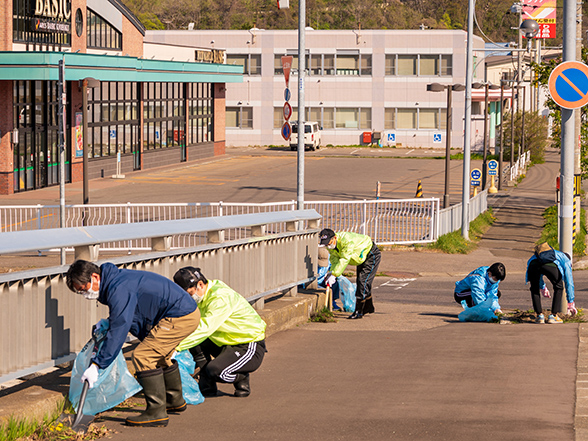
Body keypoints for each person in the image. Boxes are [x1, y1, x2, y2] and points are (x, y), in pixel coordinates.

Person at [65, 260, 200, 428]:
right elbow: (130, 316)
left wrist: (97, 365)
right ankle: (174, 400)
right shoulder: (116, 281)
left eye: (84, 289)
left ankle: (156, 412)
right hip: (183, 312)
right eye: (80, 293)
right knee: (158, 355)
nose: (86, 295)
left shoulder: (118, 288)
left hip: (180, 315)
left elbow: (120, 328)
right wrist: (109, 322)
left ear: (94, 277)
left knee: (143, 356)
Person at [173, 267, 267, 398]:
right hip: (224, 342)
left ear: (200, 284)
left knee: (216, 371)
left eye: (189, 294)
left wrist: (176, 347)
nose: (188, 298)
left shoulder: (220, 298)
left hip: (248, 345)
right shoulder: (202, 296)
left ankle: (241, 377)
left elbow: (206, 327)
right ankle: (207, 386)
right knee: (193, 339)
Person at [318, 228, 381, 319]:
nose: (328, 245)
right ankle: (368, 307)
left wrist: (335, 274)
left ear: (334, 238)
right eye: (325, 243)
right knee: (363, 282)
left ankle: (358, 311)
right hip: (360, 258)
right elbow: (335, 260)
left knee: (363, 281)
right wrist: (332, 272)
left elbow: (344, 259)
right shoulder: (332, 247)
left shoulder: (346, 241)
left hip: (370, 254)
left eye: (329, 242)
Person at [526, 242, 577, 324]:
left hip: (533, 264)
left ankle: (539, 316)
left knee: (534, 289)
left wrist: (542, 288)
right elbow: (569, 281)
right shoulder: (565, 259)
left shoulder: (547, 254)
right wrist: (570, 302)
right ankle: (553, 316)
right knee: (558, 287)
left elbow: (538, 273)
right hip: (550, 266)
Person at [317, 246, 341, 311]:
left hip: (323, 280)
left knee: (335, 283)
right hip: (313, 283)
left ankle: (332, 302)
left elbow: (332, 268)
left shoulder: (330, 258)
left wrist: (332, 275)